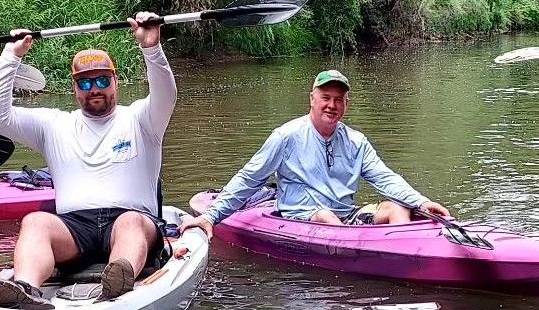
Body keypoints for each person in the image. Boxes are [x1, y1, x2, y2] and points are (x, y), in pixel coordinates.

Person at [0, 13, 176, 309]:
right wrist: (11, 56)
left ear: (115, 82)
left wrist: (151, 48)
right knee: (35, 221)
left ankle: (119, 279)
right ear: (75, 88)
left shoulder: (142, 119)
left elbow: (166, 95)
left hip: (131, 222)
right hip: (73, 231)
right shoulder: (53, 125)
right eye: (84, 83)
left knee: (130, 222)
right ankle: (25, 288)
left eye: (102, 80)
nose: (94, 89)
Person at [179, 70, 450, 238]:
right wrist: (210, 217)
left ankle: (406, 252)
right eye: (326, 97)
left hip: (344, 216)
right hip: (303, 217)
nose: (332, 105)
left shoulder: (356, 141)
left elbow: (385, 178)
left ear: (346, 104)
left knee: (397, 206)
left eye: (339, 99)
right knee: (324, 215)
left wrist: (421, 202)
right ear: (312, 99)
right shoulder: (286, 136)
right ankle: (366, 256)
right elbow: (249, 178)